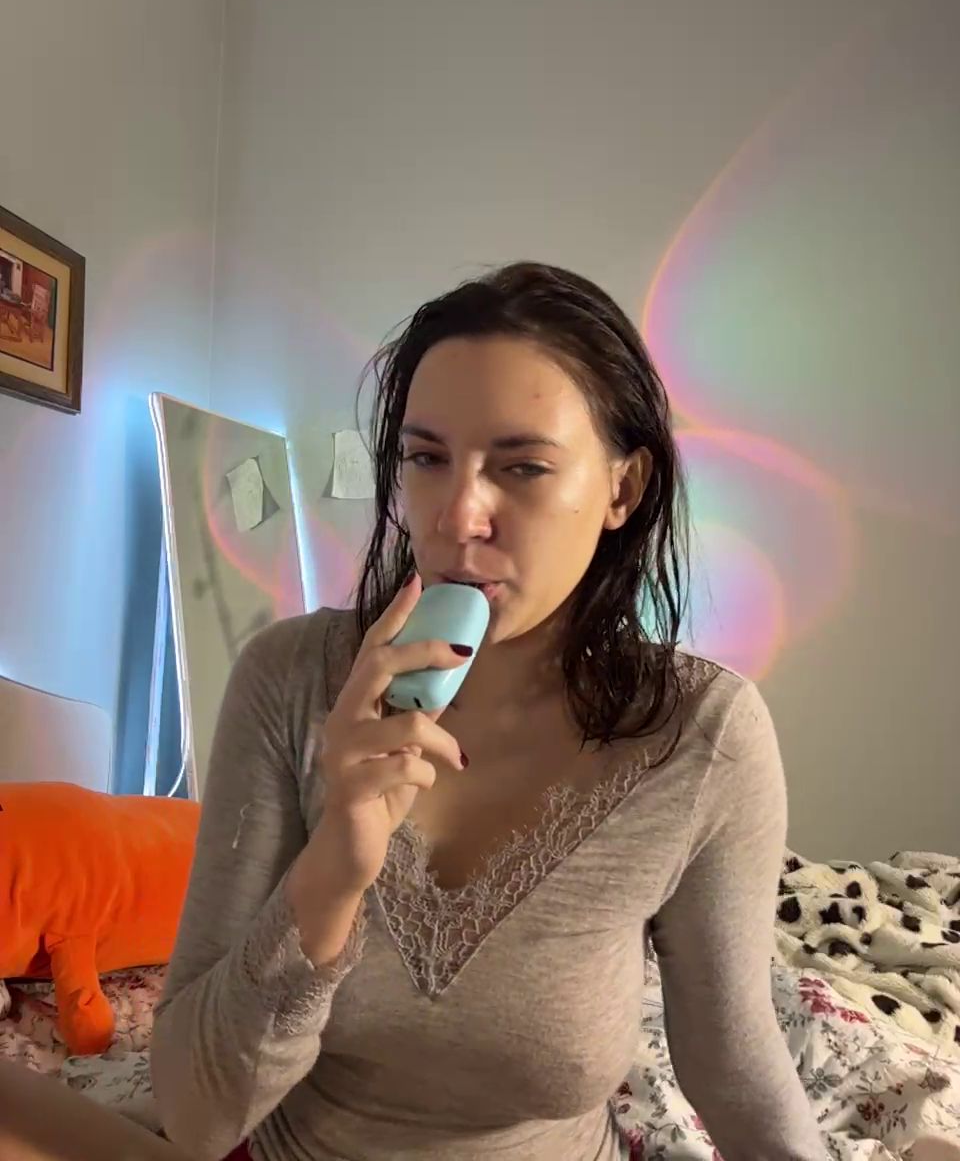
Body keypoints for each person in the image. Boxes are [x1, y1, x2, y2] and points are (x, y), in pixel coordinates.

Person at [0, 263, 827, 1161]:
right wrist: (332, 870)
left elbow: (733, 1061)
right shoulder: (288, 678)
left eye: (522, 467)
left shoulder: (700, 735)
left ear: (622, 491)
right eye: (427, 459)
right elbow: (198, 1118)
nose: (458, 516)